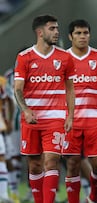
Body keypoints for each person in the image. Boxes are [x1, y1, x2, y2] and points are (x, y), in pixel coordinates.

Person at [13, 14, 75, 203]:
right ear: (40, 32)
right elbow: (17, 89)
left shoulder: (65, 57)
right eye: (52, 28)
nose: (57, 32)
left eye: (57, 28)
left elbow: (70, 88)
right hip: (31, 119)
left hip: (55, 118)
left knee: (51, 160)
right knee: (34, 165)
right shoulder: (24, 57)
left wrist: (70, 115)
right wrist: (26, 110)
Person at [61, 19, 97, 203]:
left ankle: (93, 197)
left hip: (94, 120)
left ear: (89, 35)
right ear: (70, 36)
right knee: (72, 163)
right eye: (78, 33)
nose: (82, 36)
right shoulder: (62, 58)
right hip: (71, 121)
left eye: (85, 33)